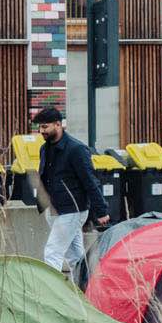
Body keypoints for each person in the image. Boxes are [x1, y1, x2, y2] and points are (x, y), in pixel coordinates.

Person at [32, 106, 106, 278]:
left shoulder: (76, 149)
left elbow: (90, 180)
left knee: (52, 252)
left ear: (58, 125)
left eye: (45, 127)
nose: (41, 131)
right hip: (54, 209)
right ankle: (83, 290)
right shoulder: (45, 149)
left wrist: (101, 210)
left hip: (73, 209)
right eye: (40, 127)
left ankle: (52, 295)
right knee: (75, 257)